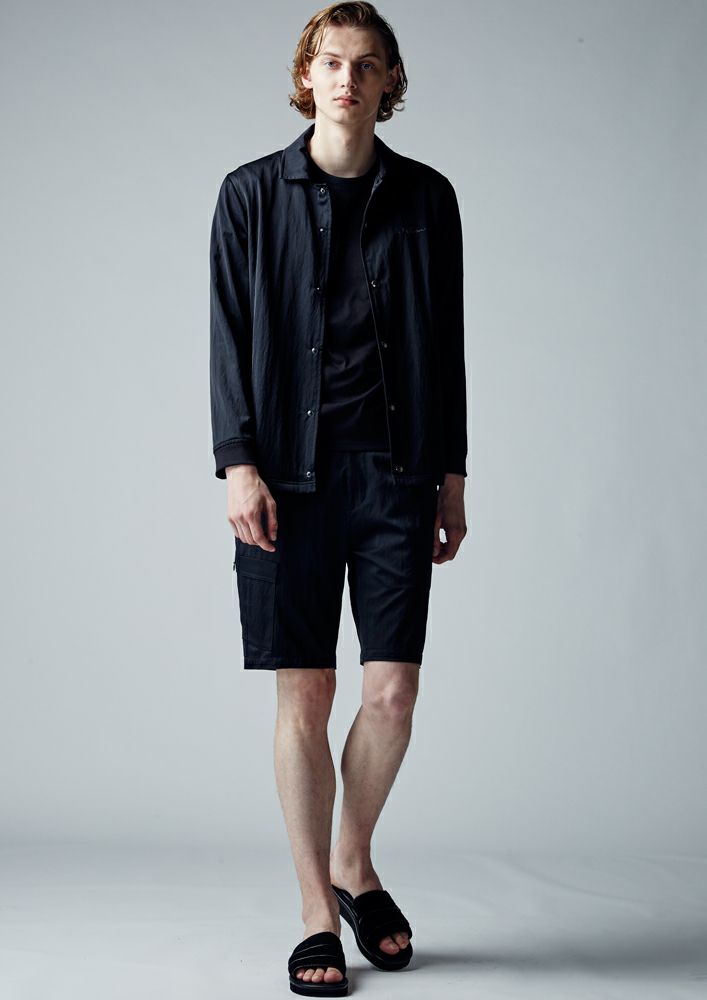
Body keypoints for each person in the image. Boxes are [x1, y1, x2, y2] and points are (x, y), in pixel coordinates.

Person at [209, 2, 468, 994]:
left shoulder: (428, 198)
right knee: (305, 693)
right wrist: (236, 462)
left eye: (365, 65)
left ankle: (352, 861)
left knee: (391, 691)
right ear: (305, 76)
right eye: (329, 63)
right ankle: (317, 909)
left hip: (397, 472)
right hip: (288, 477)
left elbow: (445, 340)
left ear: (388, 80)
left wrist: (451, 471)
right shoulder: (248, 195)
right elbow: (227, 332)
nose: (346, 80)